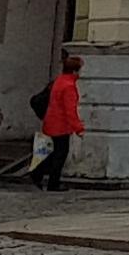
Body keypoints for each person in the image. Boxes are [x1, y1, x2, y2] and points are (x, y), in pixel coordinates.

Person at [31, 51, 85, 190]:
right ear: (74, 70)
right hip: (61, 125)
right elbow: (70, 110)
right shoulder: (69, 86)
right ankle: (53, 183)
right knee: (60, 155)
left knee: (49, 152)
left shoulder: (59, 81)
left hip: (50, 121)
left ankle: (37, 174)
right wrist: (78, 128)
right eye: (79, 69)